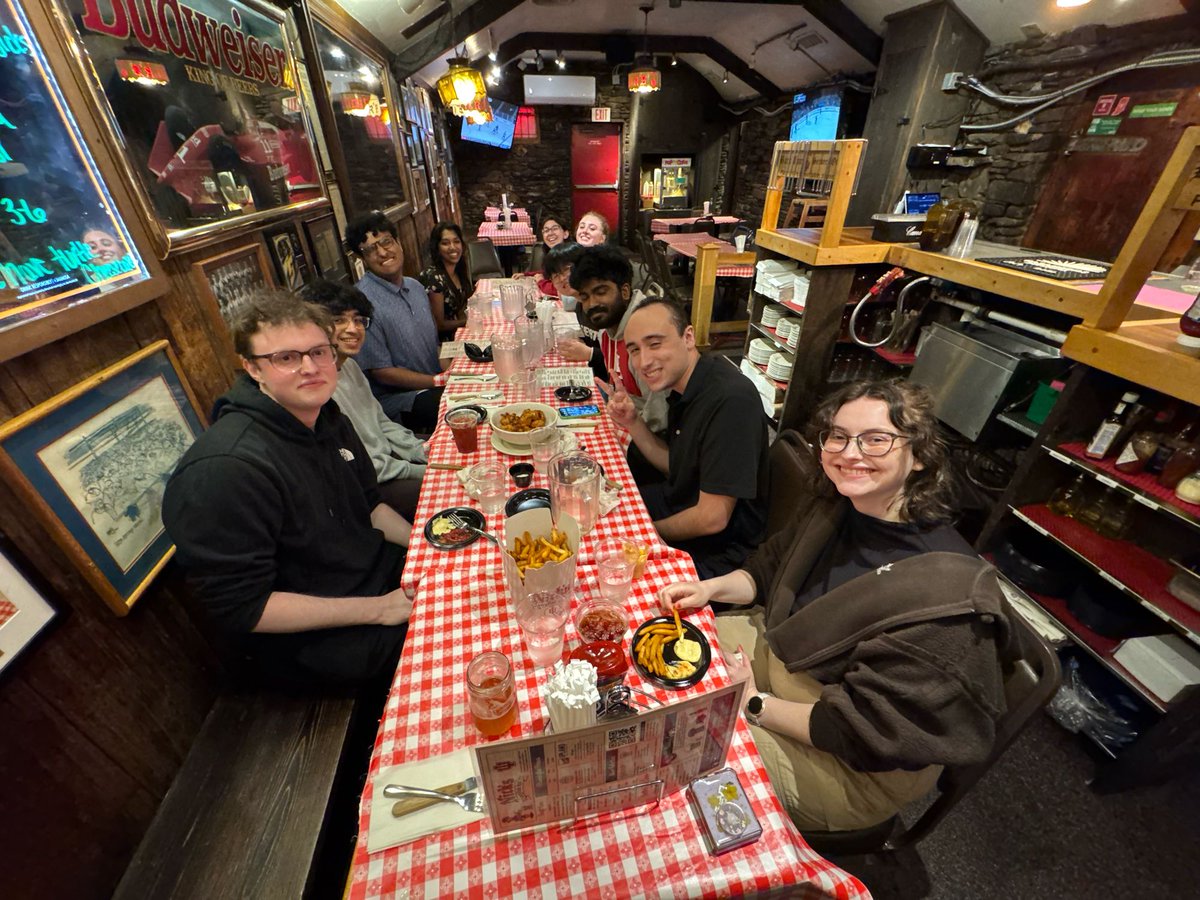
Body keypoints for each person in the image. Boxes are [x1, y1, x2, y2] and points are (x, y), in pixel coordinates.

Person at [659, 379, 1017, 834]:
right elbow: (769, 568)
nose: (850, 453)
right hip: (782, 655)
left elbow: (869, 732)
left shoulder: (943, 599)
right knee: (663, 660)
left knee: (682, 751)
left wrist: (751, 703)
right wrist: (709, 590)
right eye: (838, 436)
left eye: (876, 440)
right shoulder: (839, 505)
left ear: (921, 456)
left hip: (849, 763)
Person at [162, 291, 413, 688]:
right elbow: (245, 608)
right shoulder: (226, 469)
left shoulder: (326, 415)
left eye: (318, 352)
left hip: (373, 578)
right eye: (286, 358)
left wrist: (423, 547)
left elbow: (370, 506)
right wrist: (379, 609)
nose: (310, 368)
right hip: (314, 642)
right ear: (251, 368)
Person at [609, 298, 768, 577]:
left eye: (655, 343)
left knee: (610, 573)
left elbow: (712, 518)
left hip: (720, 551)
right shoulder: (685, 386)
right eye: (635, 350)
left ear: (689, 337)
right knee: (603, 515)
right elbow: (678, 465)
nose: (644, 361)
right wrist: (632, 421)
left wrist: (646, 534)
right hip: (681, 500)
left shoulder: (730, 400)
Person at [306, 279, 427, 520]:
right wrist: (423, 469)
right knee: (452, 487)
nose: (353, 328)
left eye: (359, 320)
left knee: (462, 451)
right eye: (339, 320)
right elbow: (364, 466)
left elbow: (381, 422)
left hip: (390, 460)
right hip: (369, 485)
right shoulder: (317, 389)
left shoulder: (350, 366)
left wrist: (421, 450)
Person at [345, 211, 449, 434]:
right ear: (362, 258)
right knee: (463, 408)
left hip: (434, 382)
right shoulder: (361, 303)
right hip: (401, 401)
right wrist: (438, 381)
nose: (382, 252)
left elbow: (433, 346)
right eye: (371, 249)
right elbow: (381, 372)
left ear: (398, 242)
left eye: (386, 242)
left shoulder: (416, 287)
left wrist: (459, 370)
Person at [571, 244, 666, 432]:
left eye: (600, 292)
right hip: (622, 414)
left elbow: (659, 423)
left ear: (624, 291)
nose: (591, 304)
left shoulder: (647, 340)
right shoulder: (605, 330)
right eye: (585, 297)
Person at [417, 221, 475, 338]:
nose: (453, 247)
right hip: (443, 341)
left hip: (459, 332)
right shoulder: (433, 278)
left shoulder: (458, 269)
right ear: (437, 247)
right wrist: (470, 321)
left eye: (456, 241)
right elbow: (440, 325)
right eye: (445, 243)